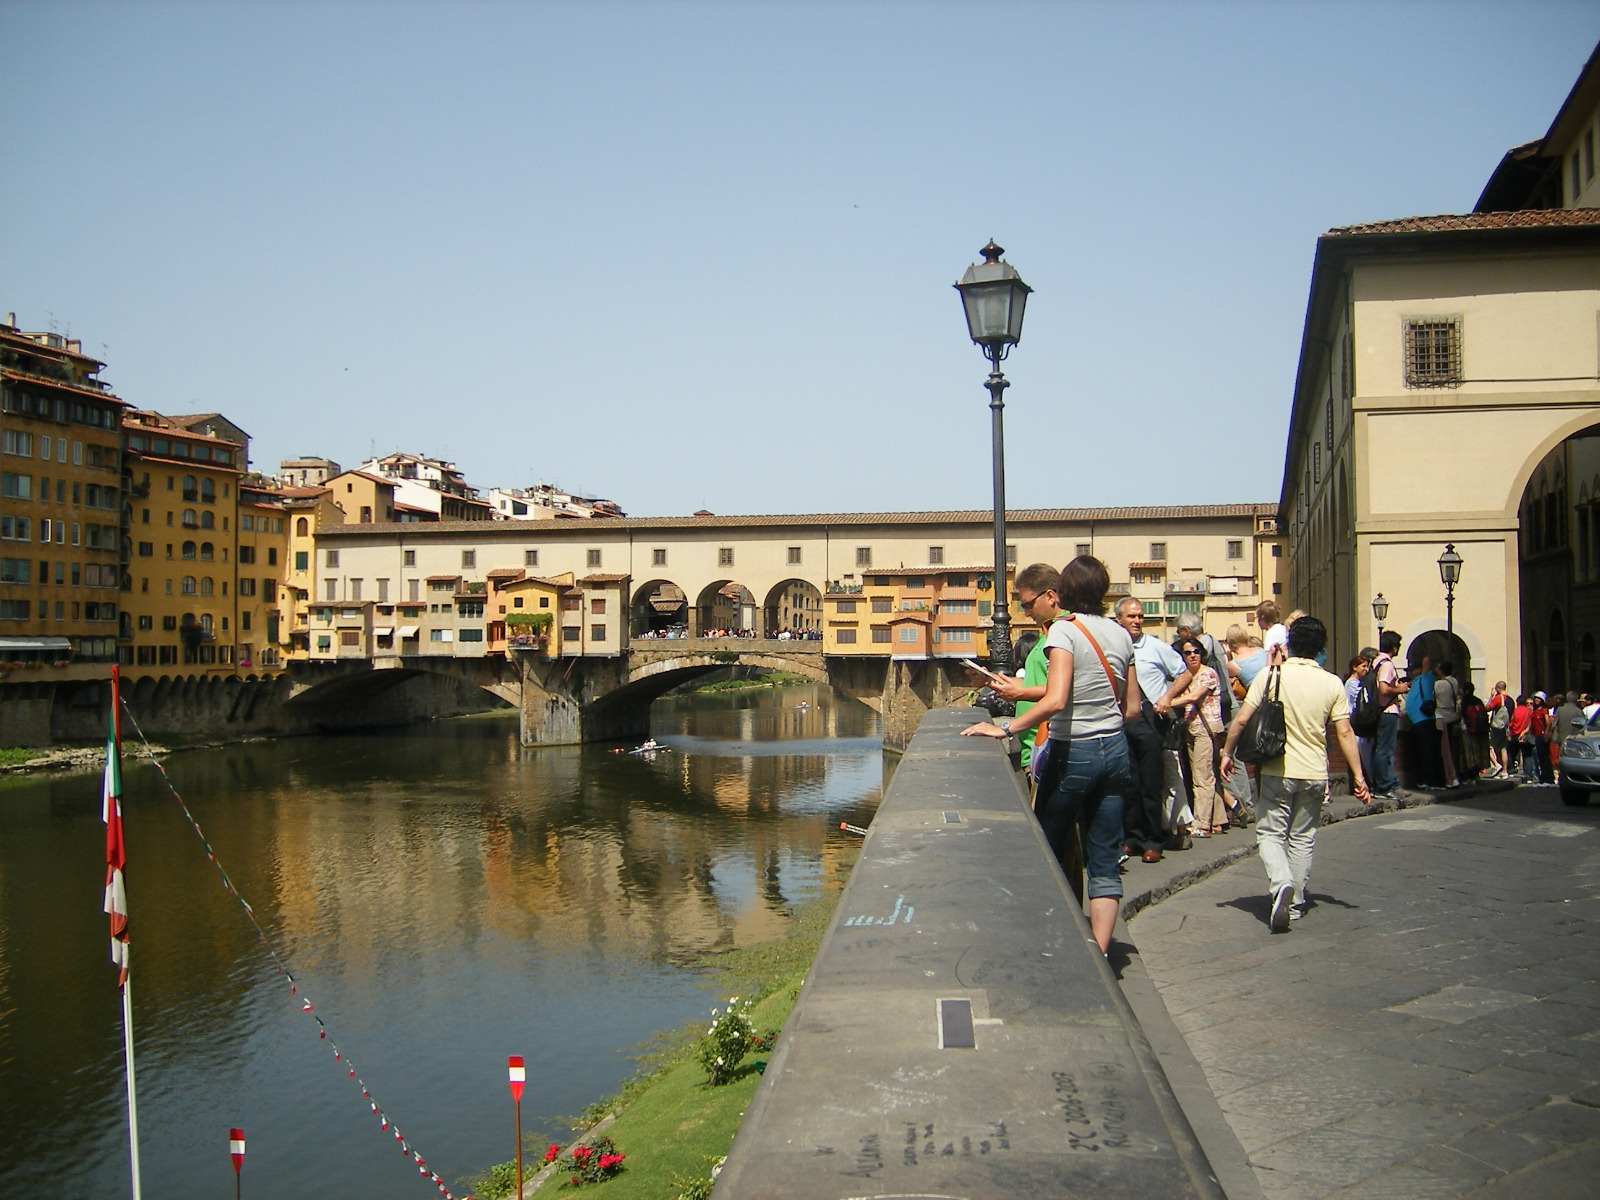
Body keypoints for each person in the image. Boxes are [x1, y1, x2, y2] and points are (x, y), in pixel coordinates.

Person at [962, 556, 1140, 955]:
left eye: (1028, 603)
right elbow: (1132, 709)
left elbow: (1056, 699)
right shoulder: (1120, 634)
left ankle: (1055, 945)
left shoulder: (1064, 631)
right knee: (1104, 860)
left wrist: (1005, 727)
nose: (1026, 611)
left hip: (1073, 750)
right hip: (1115, 750)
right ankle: (1101, 954)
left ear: (1061, 592)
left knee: (1048, 850)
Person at [1221, 615, 1369, 933]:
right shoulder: (1332, 683)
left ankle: (1281, 883)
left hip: (1278, 769)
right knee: (1303, 838)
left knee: (1270, 834)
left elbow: (1243, 719)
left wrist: (1227, 753)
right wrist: (1358, 776)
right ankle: (1298, 902)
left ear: (1290, 644)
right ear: (1320, 648)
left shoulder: (1271, 676)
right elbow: (1344, 732)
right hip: (1316, 772)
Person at [1113, 595, 1186, 862]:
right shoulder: (1113, 647)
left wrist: (1168, 697)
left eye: (1140, 616)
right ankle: (1131, 838)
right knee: (1128, 782)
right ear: (1118, 619)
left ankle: (1153, 840)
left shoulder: (1155, 647)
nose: (1137, 621)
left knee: (1151, 783)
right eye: (1131, 616)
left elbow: (1186, 671)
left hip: (1150, 721)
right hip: (1121, 721)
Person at [1166, 637, 1229, 836]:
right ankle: (1218, 821)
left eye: (1196, 651)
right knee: (1204, 774)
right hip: (1191, 729)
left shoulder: (1208, 674)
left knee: (1203, 778)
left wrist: (1167, 701)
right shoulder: (1185, 676)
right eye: (1187, 652)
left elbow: (1194, 697)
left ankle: (1202, 824)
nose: (1192, 655)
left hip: (1206, 729)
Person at [1371, 631, 1409, 799]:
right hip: (1388, 710)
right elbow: (1384, 688)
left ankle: (1385, 783)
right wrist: (1399, 689)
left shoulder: (1374, 662)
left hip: (1379, 710)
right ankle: (1385, 786)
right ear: (1394, 647)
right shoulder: (1386, 664)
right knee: (1385, 750)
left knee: (1381, 749)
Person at [1404, 655, 1438, 787]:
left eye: (1412, 670)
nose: (1410, 672)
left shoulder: (1426, 677)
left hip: (1424, 720)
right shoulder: (1416, 680)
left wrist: (1425, 667)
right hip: (1417, 721)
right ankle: (1425, 779)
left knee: (1427, 752)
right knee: (1421, 751)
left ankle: (1429, 780)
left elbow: (1426, 665)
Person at [1345, 652, 1376, 788]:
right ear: (1354, 667)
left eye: (1367, 666)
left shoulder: (1359, 682)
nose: (1365, 669)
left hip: (1356, 722)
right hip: (1354, 722)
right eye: (1363, 666)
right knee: (1362, 753)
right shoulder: (1353, 684)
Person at [1433, 660, 1461, 788]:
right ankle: (1454, 774)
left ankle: (1447, 776)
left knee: (1443, 749)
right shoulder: (1454, 681)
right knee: (1451, 747)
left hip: (1441, 716)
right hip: (1452, 716)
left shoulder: (1439, 684)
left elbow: (1432, 697)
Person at [1486, 680, 1512, 779]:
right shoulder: (1510, 700)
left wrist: (1491, 696)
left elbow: (1487, 708)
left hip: (1496, 726)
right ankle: (1505, 771)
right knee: (1503, 748)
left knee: (1489, 746)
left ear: (1498, 688)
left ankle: (1497, 765)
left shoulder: (1498, 698)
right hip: (1505, 727)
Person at [1509, 694, 1533, 780]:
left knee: (1511, 753)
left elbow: (1511, 723)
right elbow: (1530, 724)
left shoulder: (1515, 711)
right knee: (1527, 756)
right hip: (1525, 735)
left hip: (1515, 734)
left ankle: (1511, 770)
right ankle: (1528, 776)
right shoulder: (1529, 711)